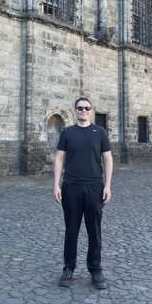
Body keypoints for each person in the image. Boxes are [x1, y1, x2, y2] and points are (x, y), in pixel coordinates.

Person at [53, 97, 113, 289]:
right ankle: (68, 268)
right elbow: (59, 159)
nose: (83, 111)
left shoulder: (100, 132)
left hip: (94, 187)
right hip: (71, 187)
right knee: (71, 230)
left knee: (94, 231)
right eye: (80, 108)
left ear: (91, 110)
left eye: (87, 108)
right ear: (75, 110)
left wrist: (107, 185)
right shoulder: (67, 133)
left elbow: (108, 159)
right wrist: (56, 185)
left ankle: (95, 270)